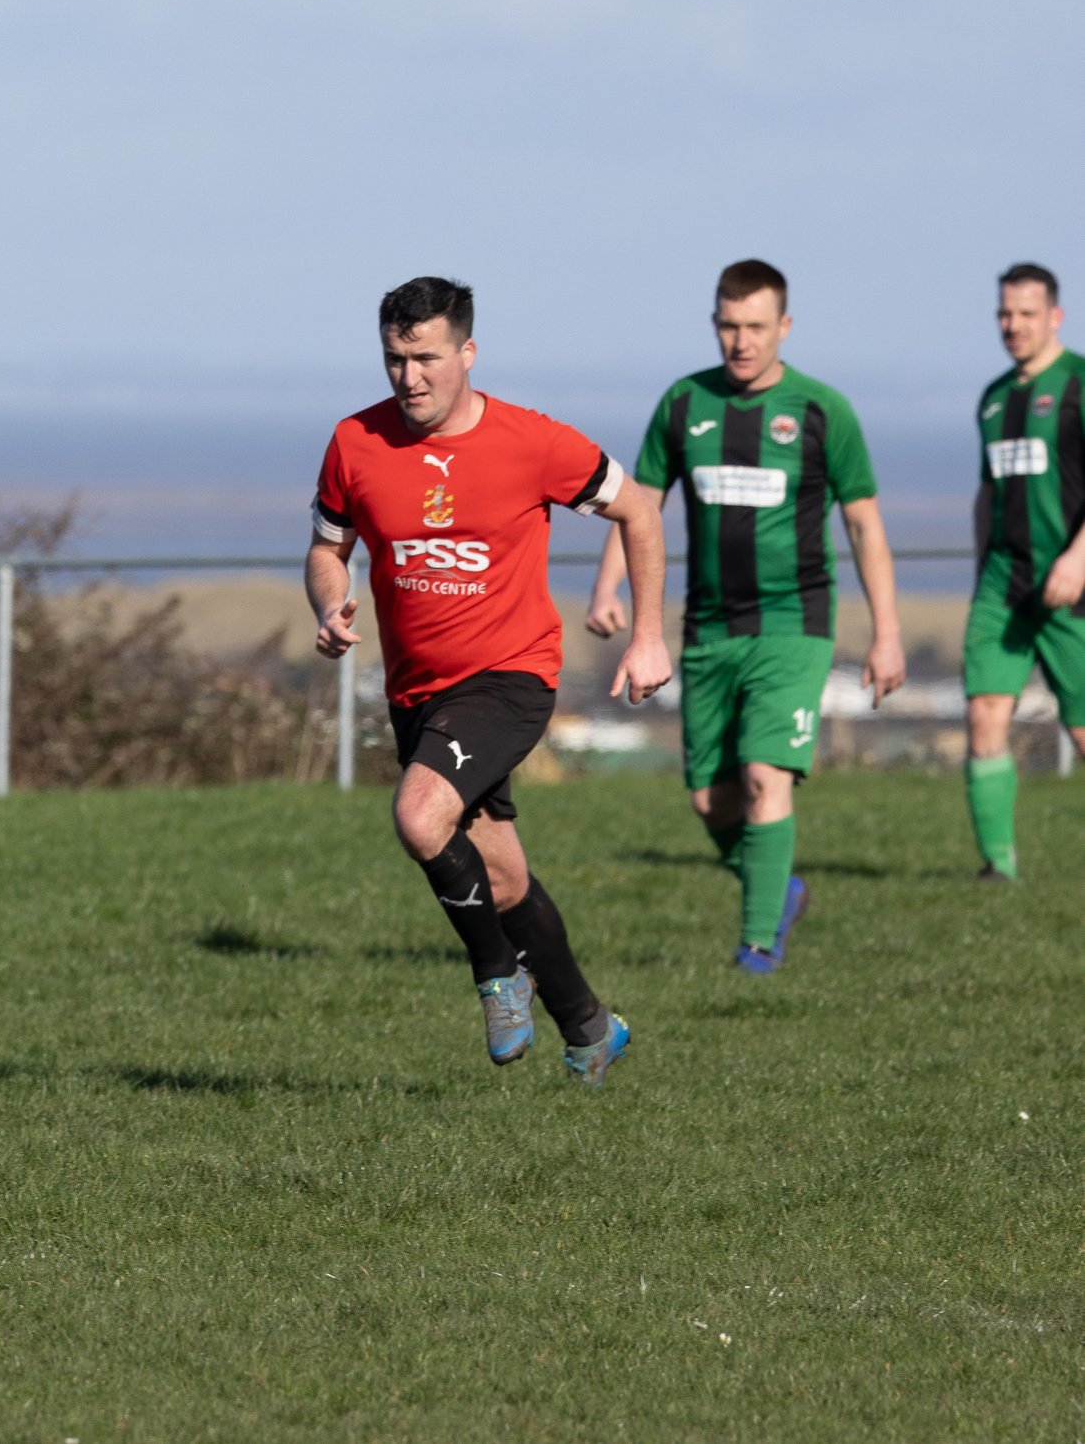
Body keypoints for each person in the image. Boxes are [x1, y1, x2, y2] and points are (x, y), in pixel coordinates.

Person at [306, 276, 670, 1084]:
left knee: (417, 817)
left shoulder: (533, 442)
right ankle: (589, 1024)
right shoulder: (354, 442)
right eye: (396, 360)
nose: (410, 378)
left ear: (467, 353)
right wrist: (331, 607)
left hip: (510, 678)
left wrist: (647, 637)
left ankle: (497, 976)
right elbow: (329, 549)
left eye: (427, 358)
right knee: (500, 875)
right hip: (418, 694)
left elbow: (639, 511)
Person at [586, 260, 905, 971]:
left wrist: (887, 636)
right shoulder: (683, 403)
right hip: (706, 630)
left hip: (794, 626)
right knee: (710, 800)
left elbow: (865, 526)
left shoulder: (822, 411)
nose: (741, 341)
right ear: (714, 324)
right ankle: (779, 889)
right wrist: (607, 590)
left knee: (766, 776)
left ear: (784, 327)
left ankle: (757, 948)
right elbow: (637, 505)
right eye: (729, 326)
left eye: (756, 327)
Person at [961, 263, 1085, 880]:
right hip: (1002, 586)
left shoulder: (1079, 384)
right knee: (984, 713)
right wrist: (984, 563)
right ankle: (998, 867)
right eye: (1005, 313)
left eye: (1026, 314)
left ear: (1055, 317)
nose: (1013, 325)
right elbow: (989, 494)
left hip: (1075, 589)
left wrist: (1078, 557)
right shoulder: (992, 398)